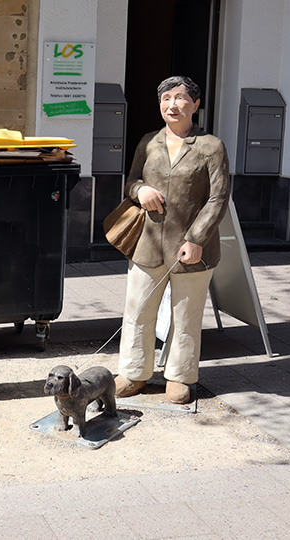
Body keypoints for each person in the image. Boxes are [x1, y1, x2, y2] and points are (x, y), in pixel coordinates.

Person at [114, 76, 229, 404]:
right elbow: (131, 180)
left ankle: (180, 376)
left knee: (187, 313)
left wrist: (197, 239)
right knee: (137, 309)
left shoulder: (210, 146)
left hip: (191, 249)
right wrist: (140, 190)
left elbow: (218, 198)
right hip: (147, 243)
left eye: (180, 98)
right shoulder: (149, 141)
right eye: (166, 98)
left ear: (195, 105)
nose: (172, 105)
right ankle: (134, 372)